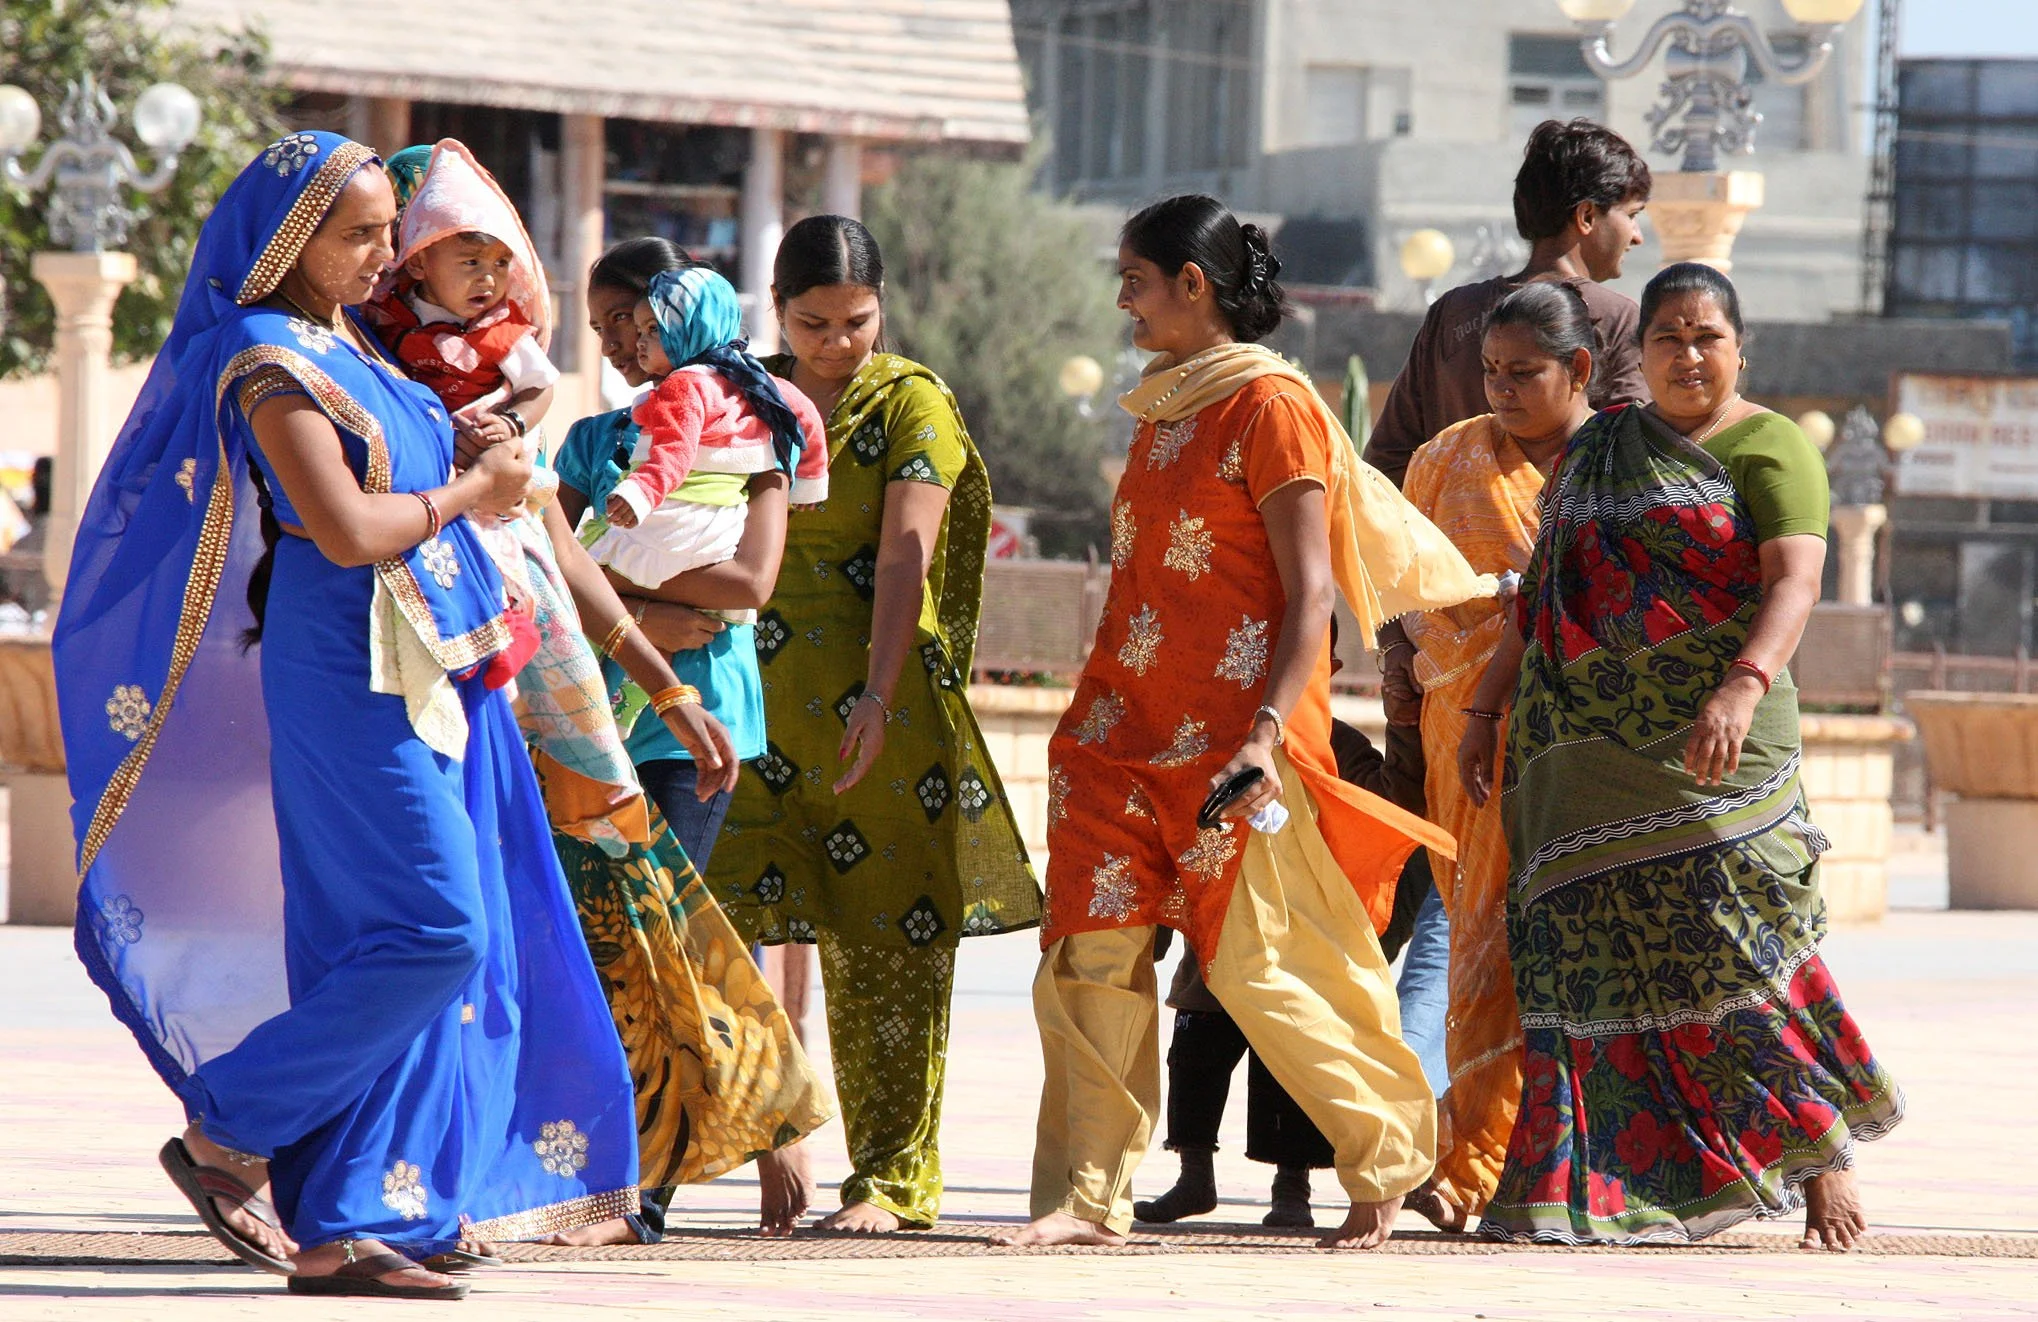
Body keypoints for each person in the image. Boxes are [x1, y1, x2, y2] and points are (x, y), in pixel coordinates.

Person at [51, 132, 640, 1301]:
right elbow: (348, 526)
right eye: (359, 234)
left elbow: (406, 488)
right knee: (434, 931)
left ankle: (363, 1213)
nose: (386, 255)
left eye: (387, 230)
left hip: (426, 660)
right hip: (349, 667)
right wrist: (481, 487)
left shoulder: (350, 345)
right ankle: (229, 1131)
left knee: (377, 944)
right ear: (288, 240)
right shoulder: (267, 356)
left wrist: (469, 445)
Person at [996, 195, 1498, 1253]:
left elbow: (1310, 589)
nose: (1120, 297)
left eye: (1136, 277)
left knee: (1267, 965)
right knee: (1088, 955)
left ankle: (1385, 1157)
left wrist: (1268, 731)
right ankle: (1085, 1195)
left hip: (1235, 742)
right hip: (1115, 736)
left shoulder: (1269, 407)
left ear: (1194, 284)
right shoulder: (1160, 409)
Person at [374, 151, 833, 1247]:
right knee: (556, 939)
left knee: (655, 935)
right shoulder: (568, 433)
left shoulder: (747, 426)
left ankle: (687, 1168)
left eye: (639, 317)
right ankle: (517, 1172)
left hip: (687, 715)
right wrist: (633, 612)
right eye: (608, 320)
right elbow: (549, 555)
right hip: (554, 698)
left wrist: (634, 625)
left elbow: (744, 586)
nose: (624, 340)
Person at [1465, 263, 1904, 1247]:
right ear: (1640, 351)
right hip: (1569, 758)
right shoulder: (1596, 451)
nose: (1687, 354)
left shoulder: (1771, 444)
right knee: (1581, 965)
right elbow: (1538, 597)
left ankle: (1816, 1145)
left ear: (1738, 346)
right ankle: (1580, 1182)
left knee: (1731, 947)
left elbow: (1795, 579)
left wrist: (1741, 683)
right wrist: (1480, 713)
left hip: (1716, 742)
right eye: (1667, 335)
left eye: (1705, 335)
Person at [713, 213, 1043, 1233]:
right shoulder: (732, 395)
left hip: (881, 713)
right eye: (813, 322)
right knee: (710, 928)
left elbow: (905, 553)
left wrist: (879, 691)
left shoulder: (911, 404)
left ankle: (891, 1180)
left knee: (888, 936)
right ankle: (728, 1148)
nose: (835, 343)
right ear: (776, 310)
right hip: (743, 700)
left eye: (856, 321)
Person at [1365, 116, 1655, 1126]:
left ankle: (1437, 1129)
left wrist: (1402, 640)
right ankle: (1450, 1133)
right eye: (1628, 216)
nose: (1634, 238)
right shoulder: (1610, 319)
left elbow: (1376, 484)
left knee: (1453, 898)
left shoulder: (1449, 313)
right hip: (1550, 682)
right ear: (1586, 217)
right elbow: (1621, 482)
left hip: (1436, 674)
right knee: (1497, 913)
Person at [1397, 282, 1599, 1232]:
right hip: (1465, 741)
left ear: (1580, 372)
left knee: (1563, 954)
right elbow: (1402, 588)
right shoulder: (1446, 459)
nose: (1503, 391)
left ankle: (1519, 1165)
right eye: (1490, 372)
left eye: (1524, 374)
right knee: (1479, 943)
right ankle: (1471, 1159)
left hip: (1585, 752)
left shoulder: (1616, 469)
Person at [1134, 618, 1424, 1231]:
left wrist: (1405, 724)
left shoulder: (1338, 747)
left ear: (1329, 674)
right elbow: (1173, 834)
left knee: (1291, 1058)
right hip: (1217, 939)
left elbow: (1395, 800)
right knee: (1195, 1052)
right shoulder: (1219, 744)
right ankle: (1194, 1176)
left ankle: (1292, 1186)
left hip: (1303, 946)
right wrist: (1158, 929)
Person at [583, 267, 828, 596]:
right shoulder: (752, 380)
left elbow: (675, 451)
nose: (640, 343)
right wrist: (810, 482)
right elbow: (807, 418)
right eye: (640, 331)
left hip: (675, 523)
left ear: (691, 327)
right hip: (723, 529)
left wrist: (639, 493)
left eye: (655, 329)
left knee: (583, 561)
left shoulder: (683, 385)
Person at [362, 139, 557, 449]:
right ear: (417, 259)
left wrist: (512, 422)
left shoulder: (501, 331)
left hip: (475, 449)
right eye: (471, 262)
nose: (488, 278)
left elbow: (539, 386)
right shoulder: (383, 307)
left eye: (502, 263)